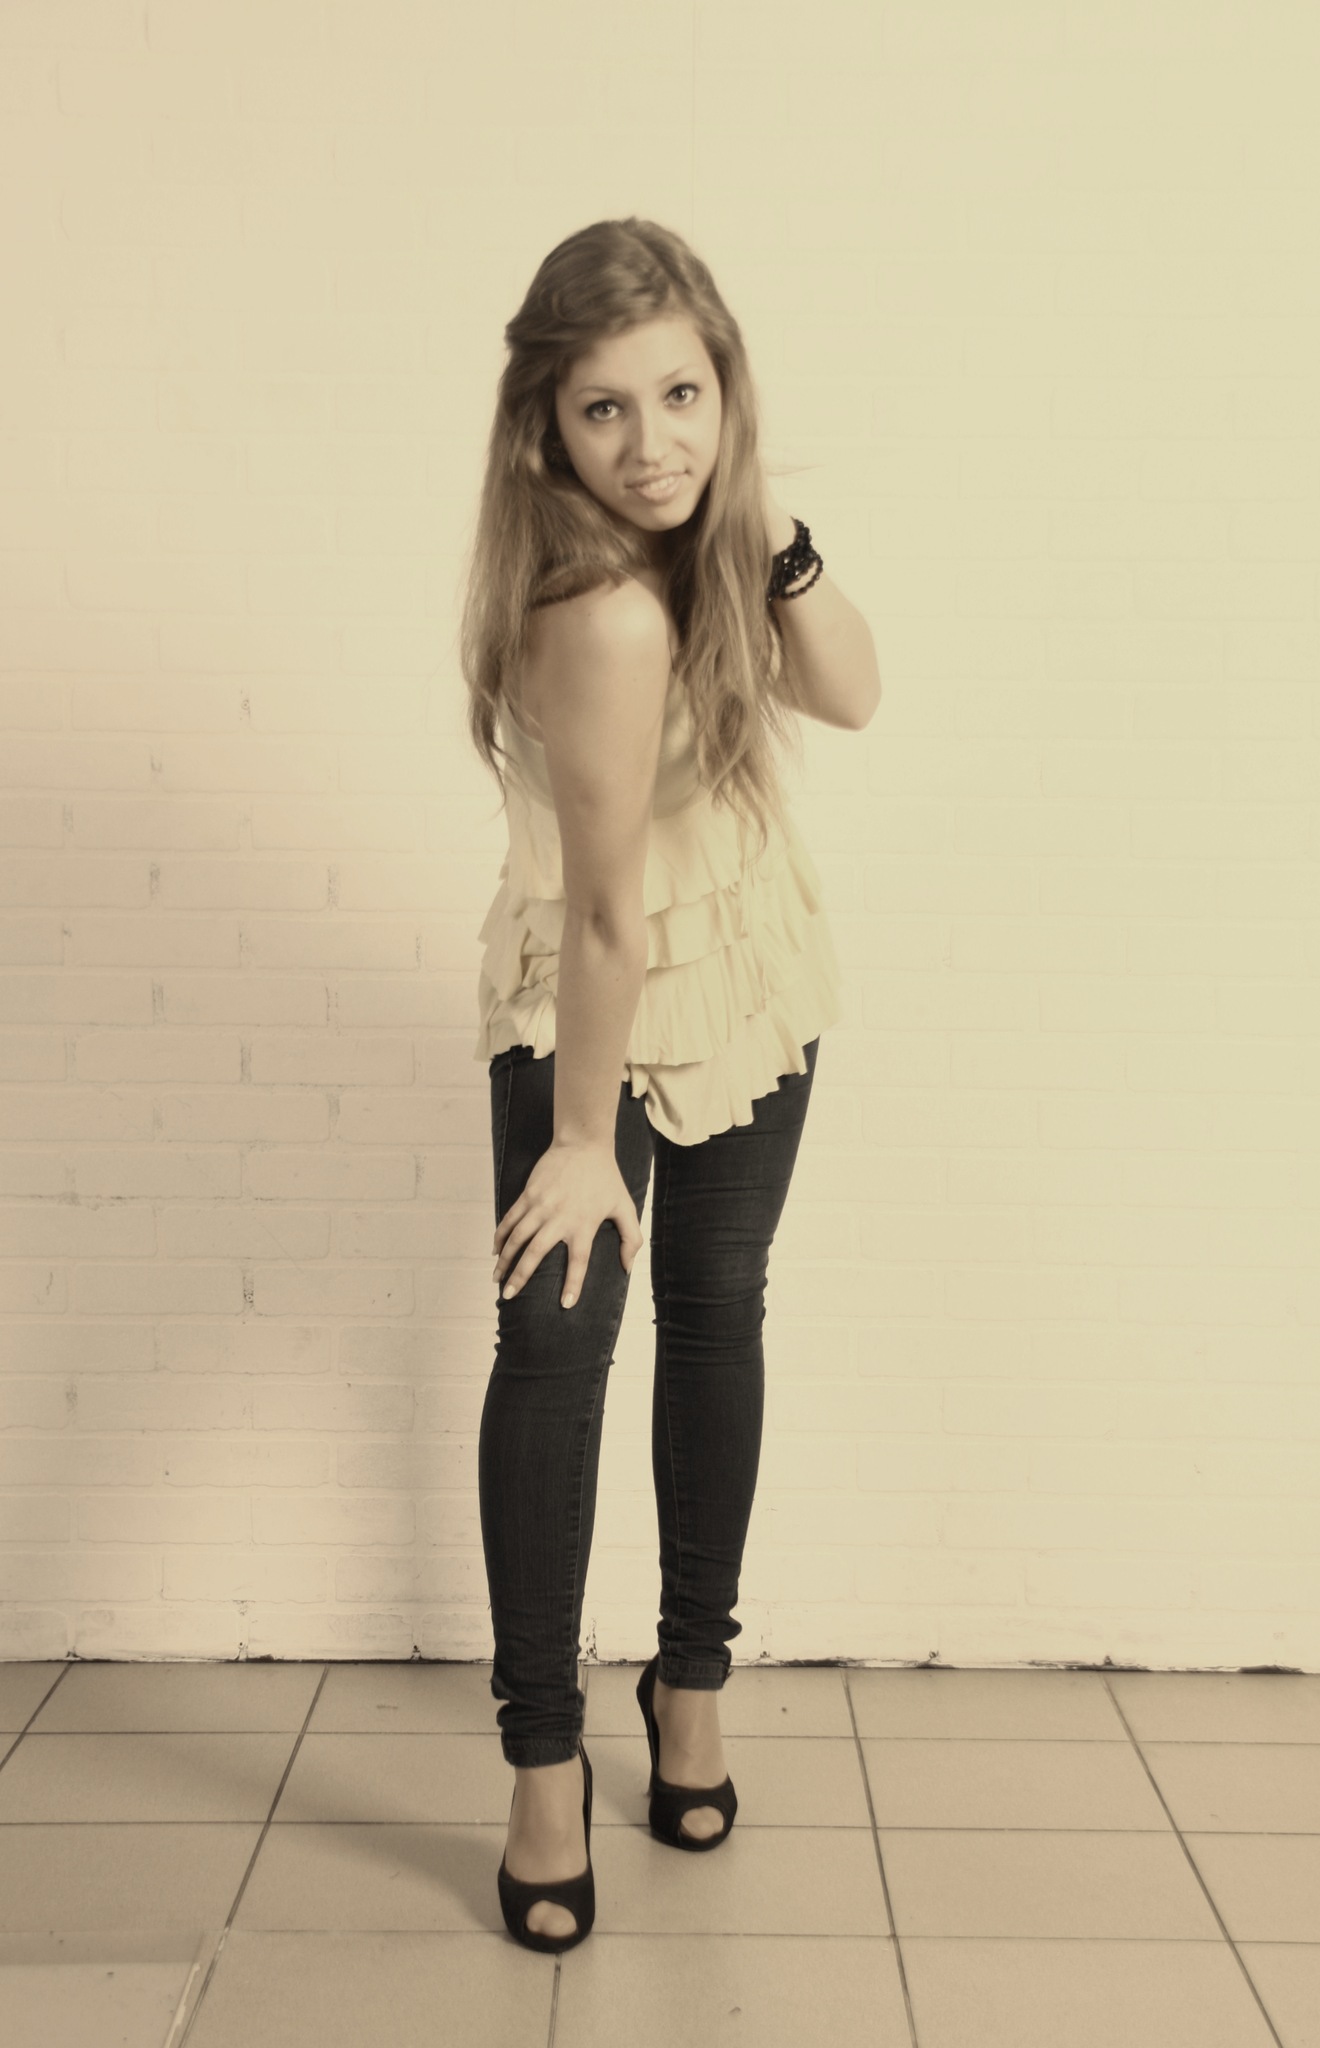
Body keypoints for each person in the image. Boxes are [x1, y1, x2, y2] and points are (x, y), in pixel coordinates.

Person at [458, 216, 880, 1954]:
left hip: (745, 970)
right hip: (599, 993)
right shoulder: (603, 611)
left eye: (681, 395)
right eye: (605, 410)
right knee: (558, 1353)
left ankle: (687, 1684)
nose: (651, 445)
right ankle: (543, 1765)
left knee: (718, 1312)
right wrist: (580, 1137)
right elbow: (605, 913)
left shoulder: (710, 541)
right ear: (547, 428)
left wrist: (768, 528)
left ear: (725, 385)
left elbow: (853, 690)